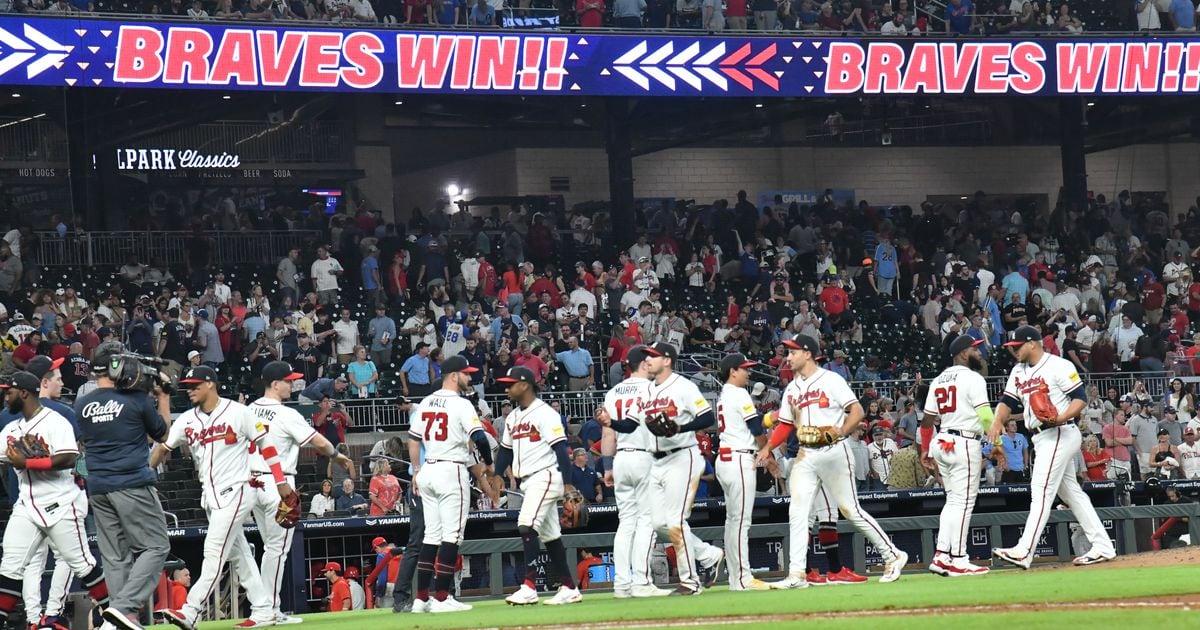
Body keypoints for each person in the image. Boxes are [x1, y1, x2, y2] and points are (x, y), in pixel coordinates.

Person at [755, 335, 908, 588]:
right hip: (805, 454)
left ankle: (893, 555)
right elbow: (784, 424)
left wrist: (842, 431)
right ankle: (796, 575)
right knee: (798, 513)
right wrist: (768, 447)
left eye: (793, 352)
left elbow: (857, 411)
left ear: (807, 353)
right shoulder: (792, 389)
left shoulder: (830, 379)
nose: (788, 356)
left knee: (851, 510)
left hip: (834, 450)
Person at [153, 365, 296, 630]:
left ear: (211, 384)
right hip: (209, 496)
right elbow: (163, 446)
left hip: (238, 490)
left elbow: (266, 445)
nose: (190, 390)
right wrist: (142, 473)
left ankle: (191, 610)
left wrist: (280, 482)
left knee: (214, 552)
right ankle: (264, 610)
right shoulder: (187, 419)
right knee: (239, 555)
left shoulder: (239, 412)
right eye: (188, 386)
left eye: (196, 385)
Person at [989, 325, 1116, 568]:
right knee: (1071, 493)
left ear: (1033, 344)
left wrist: (1060, 417)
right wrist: (996, 420)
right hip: (1040, 437)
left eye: (1017, 346)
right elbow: (1007, 401)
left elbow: (1081, 398)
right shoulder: (1018, 370)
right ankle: (1102, 545)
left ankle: (1024, 550)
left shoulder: (1059, 365)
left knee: (1041, 491)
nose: (1013, 351)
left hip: (1060, 431)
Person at [238, 361, 352, 624]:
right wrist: (338, 456)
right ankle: (269, 609)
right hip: (278, 485)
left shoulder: (249, 410)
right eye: (288, 381)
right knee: (277, 550)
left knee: (270, 549)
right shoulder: (287, 414)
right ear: (275, 384)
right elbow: (319, 441)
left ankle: (263, 607)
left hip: (252, 482)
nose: (293, 384)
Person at [72, 345, 174, 630]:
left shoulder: (82, 404)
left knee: (115, 556)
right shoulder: (136, 399)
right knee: (156, 546)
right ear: (116, 367)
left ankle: (117, 623)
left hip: (99, 486)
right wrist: (163, 397)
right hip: (131, 483)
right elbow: (162, 434)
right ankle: (123, 608)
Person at [0, 372, 113, 628]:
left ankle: (115, 614)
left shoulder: (55, 422)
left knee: (82, 564)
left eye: (10, 391)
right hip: (27, 506)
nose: (6, 396)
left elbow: (69, 458)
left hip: (61, 503)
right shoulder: (11, 429)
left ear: (25, 393)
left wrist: (27, 461)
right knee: (11, 565)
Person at [405, 355, 492, 613]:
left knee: (431, 535)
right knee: (451, 536)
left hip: (428, 468)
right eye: (466, 374)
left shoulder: (426, 401)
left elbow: (413, 439)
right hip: (451, 469)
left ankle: (421, 599)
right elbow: (481, 439)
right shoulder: (462, 404)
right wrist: (488, 464)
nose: (470, 378)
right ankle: (442, 598)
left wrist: (416, 471)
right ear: (454, 375)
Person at [494, 366, 584, 606]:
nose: (507, 387)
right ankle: (569, 587)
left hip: (545, 476)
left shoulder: (545, 413)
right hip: (528, 481)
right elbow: (505, 451)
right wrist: (495, 474)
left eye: (510, 383)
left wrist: (567, 484)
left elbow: (561, 451)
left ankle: (529, 586)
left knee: (525, 526)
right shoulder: (512, 416)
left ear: (524, 385)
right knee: (550, 535)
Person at [642, 342, 725, 594]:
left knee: (676, 521)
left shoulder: (683, 386)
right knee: (659, 524)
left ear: (667, 360)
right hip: (655, 460)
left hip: (682, 457)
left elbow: (707, 417)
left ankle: (690, 581)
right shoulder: (648, 390)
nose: (648, 360)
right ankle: (708, 554)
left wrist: (680, 427)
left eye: (653, 356)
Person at [595, 345, 672, 598]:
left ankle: (621, 584)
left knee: (626, 522)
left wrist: (607, 466)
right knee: (646, 521)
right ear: (644, 364)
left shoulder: (614, 391)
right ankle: (641, 581)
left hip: (621, 459)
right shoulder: (652, 388)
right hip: (644, 457)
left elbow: (608, 432)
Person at [923, 335, 992, 577]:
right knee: (963, 503)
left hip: (942, 440)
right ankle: (959, 558)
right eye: (975, 349)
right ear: (963, 354)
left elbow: (927, 420)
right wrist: (999, 442)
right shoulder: (973, 378)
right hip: (963, 442)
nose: (979, 352)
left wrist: (924, 448)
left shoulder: (938, 379)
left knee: (952, 501)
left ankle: (941, 555)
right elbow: (985, 416)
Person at [714, 354, 772, 590]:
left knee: (733, 521)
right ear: (732, 371)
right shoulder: (738, 393)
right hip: (738, 458)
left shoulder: (725, 394)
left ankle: (735, 578)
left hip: (726, 458)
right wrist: (768, 451)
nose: (748, 372)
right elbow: (756, 426)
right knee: (740, 522)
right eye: (744, 369)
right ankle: (742, 578)